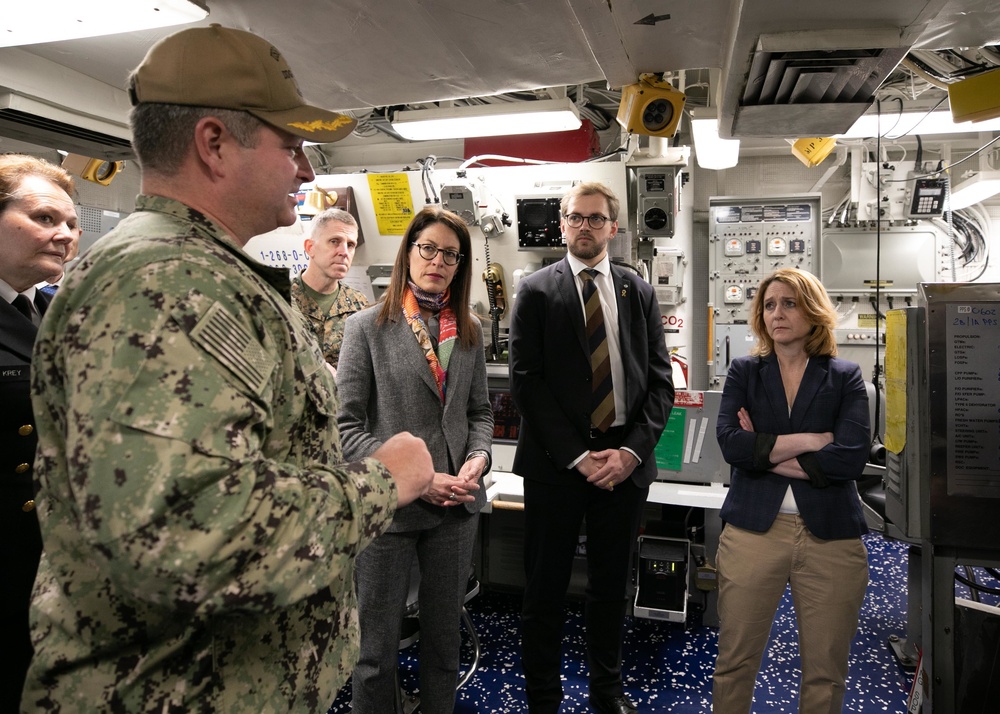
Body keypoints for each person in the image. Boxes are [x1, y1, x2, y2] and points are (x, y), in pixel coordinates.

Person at [23, 25, 434, 714]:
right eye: (290, 145)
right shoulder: (168, 283)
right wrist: (382, 482)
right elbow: (192, 539)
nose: (305, 171)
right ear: (214, 143)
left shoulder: (194, 269)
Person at [508, 181, 674, 714]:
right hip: (559, 466)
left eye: (596, 219)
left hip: (623, 464)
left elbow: (659, 383)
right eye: (575, 218)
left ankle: (607, 692)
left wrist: (629, 454)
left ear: (613, 227)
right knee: (545, 590)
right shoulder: (535, 291)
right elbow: (526, 382)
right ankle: (543, 699)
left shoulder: (637, 291)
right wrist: (578, 456)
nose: (585, 226)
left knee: (609, 589)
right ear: (562, 224)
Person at [337, 205, 494, 714]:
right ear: (408, 253)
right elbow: (346, 429)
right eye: (428, 248)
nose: (438, 261)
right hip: (390, 509)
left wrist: (478, 458)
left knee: (444, 641)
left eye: (451, 254)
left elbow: (480, 413)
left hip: (455, 508)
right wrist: (417, 478)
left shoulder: (468, 329)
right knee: (376, 650)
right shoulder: (366, 327)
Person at [712, 267, 871, 713]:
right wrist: (814, 441)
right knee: (735, 662)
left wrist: (766, 451)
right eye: (768, 305)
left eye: (789, 303)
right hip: (752, 533)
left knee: (825, 670)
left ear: (813, 310)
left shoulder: (844, 376)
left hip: (831, 536)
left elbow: (851, 457)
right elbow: (731, 445)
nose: (777, 313)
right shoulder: (745, 371)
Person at [0, 154, 78, 714]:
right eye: (46, 217)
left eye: (72, 223)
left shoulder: (54, 310)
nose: (66, 234)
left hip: (52, 562)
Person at [291, 207, 369, 372]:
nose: (344, 252)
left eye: (351, 245)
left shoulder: (359, 305)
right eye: (335, 241)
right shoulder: (279, 297)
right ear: (310, 247)